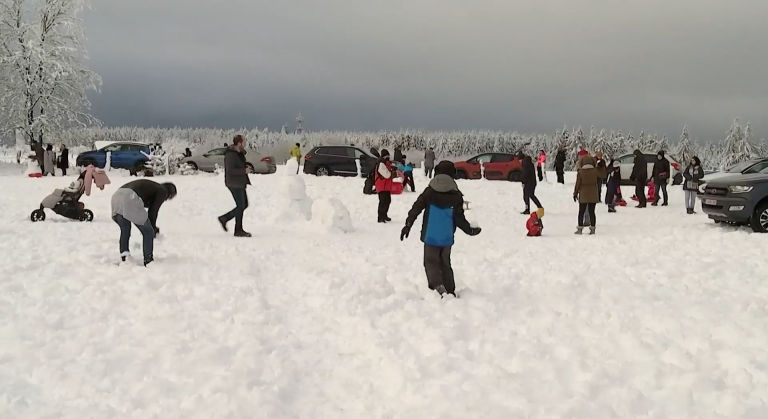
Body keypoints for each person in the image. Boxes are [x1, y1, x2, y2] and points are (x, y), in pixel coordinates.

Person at [400, 160, 481, 298]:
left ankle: (438, 287)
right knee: (445, 263)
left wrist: (408, 224)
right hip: (446, 236)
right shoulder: (456, 196)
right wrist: (470, 230)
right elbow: (459, 219)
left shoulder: (429, 192)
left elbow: (416, 208)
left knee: (431, 261)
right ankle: (450, 290)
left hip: (430, 235)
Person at [111, 179, 177, 266]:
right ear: (169, 193)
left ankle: (124, 255)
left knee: (125, 229)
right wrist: (152, 227)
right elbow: (153, 211)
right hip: (130, 197)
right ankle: (148, 260)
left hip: (117, 197)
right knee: (148, 232)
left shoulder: (152, 187)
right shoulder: (162, 191)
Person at [218, 135, 252, 237]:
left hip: (239, 182)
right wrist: (244, 171)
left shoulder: (238, 154)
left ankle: (224, 218)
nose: (245, 143)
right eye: (243, 142)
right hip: (234, 183)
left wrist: (245, 167)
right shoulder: (230, 155)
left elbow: (238, 166)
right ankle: (238, 230)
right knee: (241, 205)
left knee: (244, 204)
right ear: (239, 143)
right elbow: (230, 170)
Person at [574, 155, 599, 234]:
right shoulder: (595, 171)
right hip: (593, 193)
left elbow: (578, 184)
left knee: (581, 211)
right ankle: (592, 229)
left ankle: (580, 229)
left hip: (583, 193)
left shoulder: (580, 172)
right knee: (592, 212)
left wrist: (575, 193)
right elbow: (603, 175)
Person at [375, 149, 394, 222]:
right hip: (382, 186)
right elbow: (386, 175)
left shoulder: (385, 163)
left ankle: (384, 215)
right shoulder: (381, 164)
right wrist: (392, 173)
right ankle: (380, 217)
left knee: (387, 201)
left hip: (386, 186)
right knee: (383, 202)